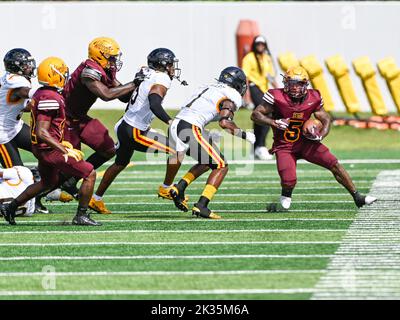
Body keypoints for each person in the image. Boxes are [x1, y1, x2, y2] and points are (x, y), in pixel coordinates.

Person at [251, 66, 377, 211]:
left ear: (306, 84)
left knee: (334, 163)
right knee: (289, 181)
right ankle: (284, 198)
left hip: (306, 143)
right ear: (286, 83)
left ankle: (358, 197)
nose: (295, 88)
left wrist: (321, 135)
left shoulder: (314, 97)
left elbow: (326, 119)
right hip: (284, 145)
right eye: (292, 83)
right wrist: (274, 122)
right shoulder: (276, 96)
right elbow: (256, 115)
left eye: (299, 84)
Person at [0, 57, 100, 226]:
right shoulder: (43, 94)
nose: (65, 75)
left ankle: (12, 207)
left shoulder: (41, 93)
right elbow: (42, 130)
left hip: (23, 133)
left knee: (47, 181)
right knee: (89, 173)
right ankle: (81, 215)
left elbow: (32, 104)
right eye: (61, 72)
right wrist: (63, 148)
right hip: (20, 139)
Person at [89, 48, 185, 214]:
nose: (172, 68)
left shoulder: (146, 72)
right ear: (162, 65)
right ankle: (166, 188)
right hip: (135, 131)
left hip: (125, 125)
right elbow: (154, 103)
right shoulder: (161, 78)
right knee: (177, 150)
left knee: (120, 163)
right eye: (170, 64)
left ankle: (95, 199)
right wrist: (170, 121)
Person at [160, 66, 255, 219]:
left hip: (177, 124)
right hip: (189, 127)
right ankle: (202, 205)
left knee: (209, 161)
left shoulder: (208, 86)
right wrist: (245, 135)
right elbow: (225, 123)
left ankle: (179, 187)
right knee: (221, 165)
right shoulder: (231, 95)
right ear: (238, 85)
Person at [61, 37, 141, 198]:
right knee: (67, 164)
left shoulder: (105, 69)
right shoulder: (88, 71)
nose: (114, 61)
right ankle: (36, 197)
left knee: (108, 150)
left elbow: (122, 95)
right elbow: (106, 95)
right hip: (65, 119)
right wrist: (134, 83)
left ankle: (70, 182)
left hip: (80, 118)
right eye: (111, 57)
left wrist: (141, 84)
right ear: (99, 55)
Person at [0, 48, 70, 213]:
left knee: (47, 151)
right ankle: (30, 197)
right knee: (20, 177)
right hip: (2, 135)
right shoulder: (16, 80)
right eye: (25, 65)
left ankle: (45, 188)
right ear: (16, 66)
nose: (30, 67)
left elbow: (22, 103)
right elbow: (36, 95)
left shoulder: (17, 79)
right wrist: (53, 91)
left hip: (15, 128)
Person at [242, 35, 277, 160]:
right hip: (253, 86)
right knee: (266, 115)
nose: (260, 46)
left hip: (264, 89)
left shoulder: (267, 58)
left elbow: (270, 76)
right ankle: (260, 146)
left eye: (262, 44)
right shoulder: (249, 58)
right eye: (258, 44)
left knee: (258, 118)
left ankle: (256, 147)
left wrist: (278, 90)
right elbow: (245, 77)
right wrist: (247, 96)